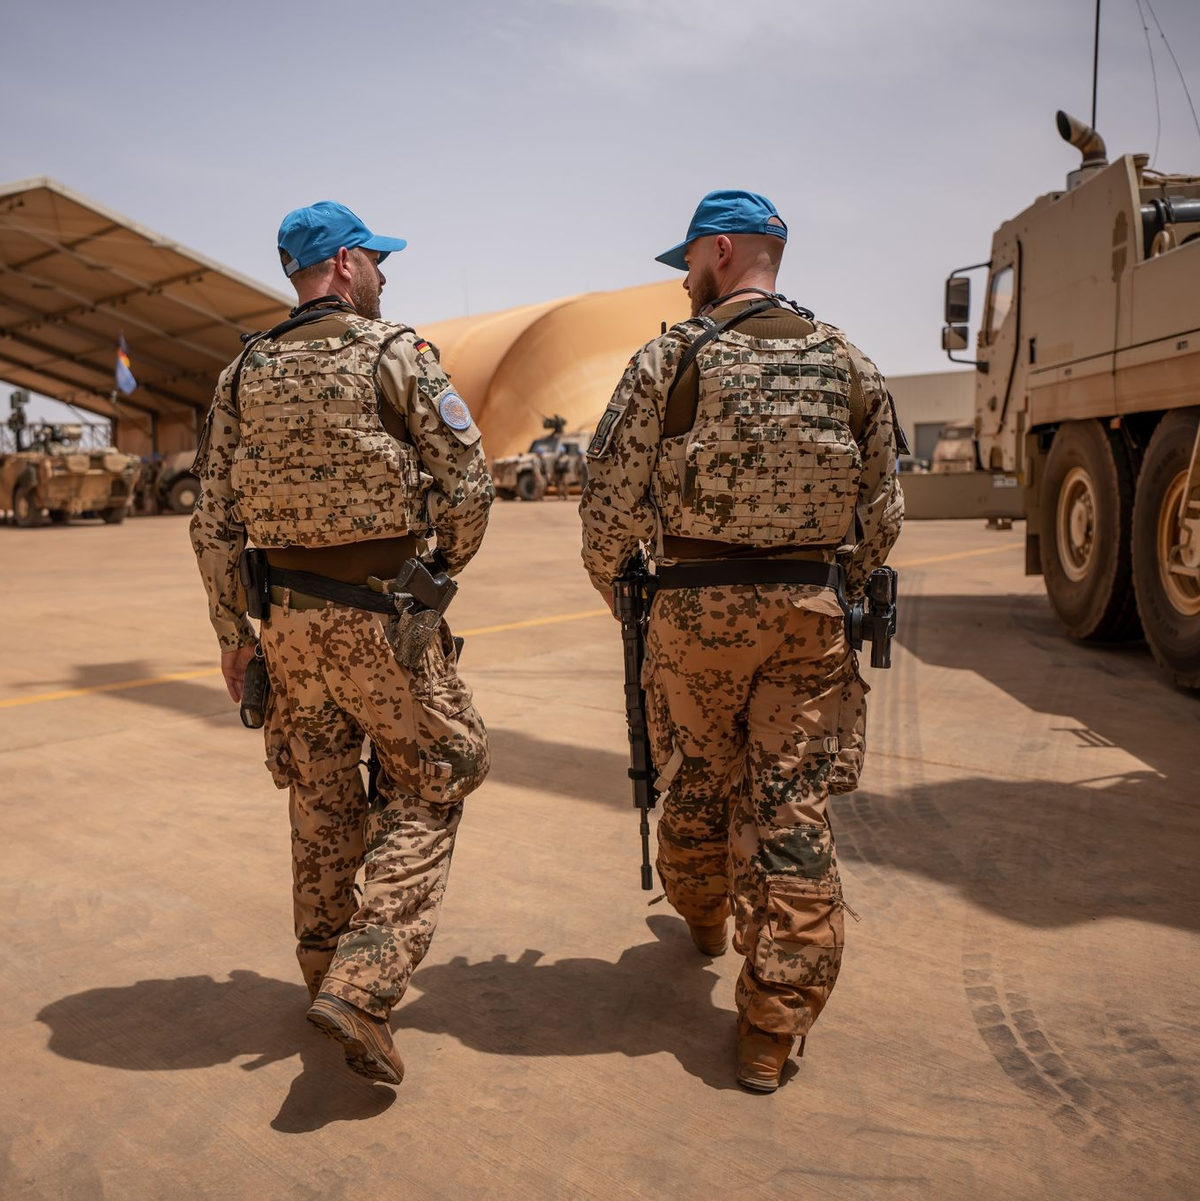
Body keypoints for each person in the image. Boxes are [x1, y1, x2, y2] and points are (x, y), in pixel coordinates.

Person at [579, 189, 903, 1092]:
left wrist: (621, 593)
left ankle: (703, 911)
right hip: (810, 619)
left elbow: (607, 504)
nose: (684, 276)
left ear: (721, 251)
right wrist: (834, 587)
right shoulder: (849, 363)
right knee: (791, 809)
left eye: (688, 257)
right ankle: (772, 1024)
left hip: (693, 619)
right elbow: (883, 514)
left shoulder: (669, 359)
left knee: (695, 779)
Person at [190, 200, 493, 1087]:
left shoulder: (242, 373)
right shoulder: (396, 353)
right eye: (375, 259)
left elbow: (212, 522)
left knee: (320, 795)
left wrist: (233, 634)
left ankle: (324, 970)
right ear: (345, 263)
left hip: (286, 624)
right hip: (384, 617)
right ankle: (364, 983)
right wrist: (436, 577)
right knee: (439, 777)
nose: (384, 275)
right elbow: (469, 488)